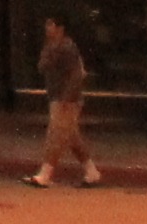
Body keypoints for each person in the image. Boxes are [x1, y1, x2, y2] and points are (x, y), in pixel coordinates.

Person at [33, 14, 104, 188]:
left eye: (51, 25)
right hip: (56, 96)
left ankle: (45, 174)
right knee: (72, 137)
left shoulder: (68, 47)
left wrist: (67, 96)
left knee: (55, 135)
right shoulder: (51, 47)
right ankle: (92, 172)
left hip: (67, 99)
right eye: (47, 25)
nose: (47, 28)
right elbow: (42, 67)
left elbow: (76, 74)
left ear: (60, 28)